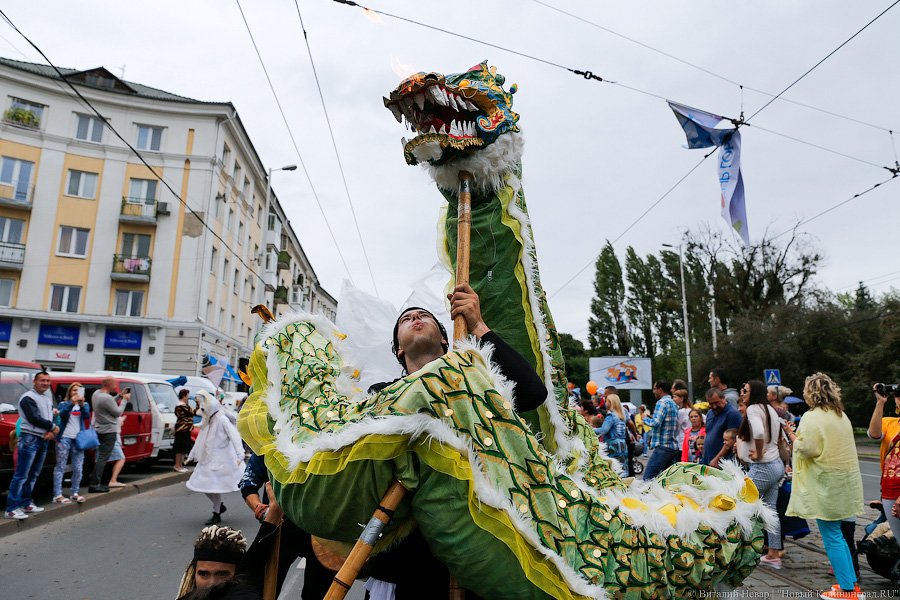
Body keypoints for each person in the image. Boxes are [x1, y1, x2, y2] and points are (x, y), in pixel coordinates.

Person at [365, 284, 546, 598]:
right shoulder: (381, 393)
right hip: (410, 553)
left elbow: (532, 393)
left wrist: (477, 325)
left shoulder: (476, 383)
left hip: (480, 540)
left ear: (445, 338)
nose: (416, 317)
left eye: (424, 315)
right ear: (399, 350)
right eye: (407, 319)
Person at [785, 373, 864, 600]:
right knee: (840, 535)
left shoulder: (812, 417)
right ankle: (850, 584)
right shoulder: (841, 415)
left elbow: (807, 448)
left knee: (832, 536)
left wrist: (791, 434)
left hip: (826, 484)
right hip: (844, 483)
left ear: (811, 393)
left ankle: (847, 589)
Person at [239, 452, 335, 598]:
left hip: (323, 531)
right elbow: (248, 483)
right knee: (263, 591)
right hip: (280, 528)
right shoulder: (271, 439)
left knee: (318, 594)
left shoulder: (336, 436)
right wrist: (261, 508)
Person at [735, 379, 785, 569]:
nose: (742, 393)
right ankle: (773, 554)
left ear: (754, 392)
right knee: (770, 511)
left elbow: (758, 431)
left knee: (738, 502)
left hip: (763, 466)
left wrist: (758, 451)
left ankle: (737, 549)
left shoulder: (754, 409)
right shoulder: (770, 409)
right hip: (776, 465)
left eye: (745, 390)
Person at [187, 390, 246, 525]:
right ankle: (218, 507)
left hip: (222, 459)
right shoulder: (209, 420)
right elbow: (201, 437)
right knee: (201, 485)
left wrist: (240, 454)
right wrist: (192, 454)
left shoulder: (223, 419)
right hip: (207, 457)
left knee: (213, 486)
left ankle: (216, 511)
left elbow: (234, 436)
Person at [5, 371, 58, 519]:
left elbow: (46, 418)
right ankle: (11, 508)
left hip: (42, 439)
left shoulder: (46, 399)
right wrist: (52, 427)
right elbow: (34, 418)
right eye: (42, 380)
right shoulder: (28, 398)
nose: (45, 383)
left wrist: (51, 431)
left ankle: (26, 503)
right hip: (30, 439)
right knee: (21, 474)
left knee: (33, 474)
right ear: (34, 382)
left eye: (48, 381)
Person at [866, 383, 900, 542]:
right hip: (889, 489)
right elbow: (874, 434)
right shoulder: (888, 423)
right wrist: (880, 402)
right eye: (898, 396)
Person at [52, 382, 90, 504]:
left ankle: (74, 492)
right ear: (69, 392)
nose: (76, 393)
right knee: (61, 466)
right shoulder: (64, 404)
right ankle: (58, 494)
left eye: (78, 390)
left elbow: (86, 416)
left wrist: (82, 404)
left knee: (78, 467)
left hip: (78, 439)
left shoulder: (85, 405)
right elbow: (62, 414)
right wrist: (71, 403)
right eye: (74, 390)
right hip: (64, 438)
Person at [89, 376, 126, 493]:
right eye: (114, 383)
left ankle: (96, 482)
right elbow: (118, 412)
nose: (116, 386)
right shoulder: (107, 398)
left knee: (99, 456)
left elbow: (108, 404)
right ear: (108, 384)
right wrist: (124, 400)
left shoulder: (96, 394)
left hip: (99, 429)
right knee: (103, 458)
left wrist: (119, 396)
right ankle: (95, 484)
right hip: (109, 430)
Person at [642, 380, 680, 480]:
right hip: (673, 447)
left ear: (660, 389)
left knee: (647, 478)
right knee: (667, 480)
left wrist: (645, 419)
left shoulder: (661, 402)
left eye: (655, 389)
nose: (653, 391)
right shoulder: (673, 403)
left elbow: (655, 422)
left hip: (663, 447)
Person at [701, 388, 743, 467]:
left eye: (716, 402)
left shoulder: (732, 414)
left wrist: (717, 459)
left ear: (723, 398)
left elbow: (730, 441)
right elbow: (707, 433)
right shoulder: (710, 413)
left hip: (723, 463)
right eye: (711, 404)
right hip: (708, 460)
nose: (714, 406)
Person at [597, 394, 628, 473]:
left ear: (610, 403)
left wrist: (590, 428)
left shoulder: (611, 416)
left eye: (607, 401)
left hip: (613, 446)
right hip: (623, 445)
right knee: (622, 469)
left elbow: (604, 430)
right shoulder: (621, 416)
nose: (605, 403)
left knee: (613, 469)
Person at [175, 389, 197, 473]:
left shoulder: (184, 405)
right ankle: (177, 465)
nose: (188, 397)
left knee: (183, 448)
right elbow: (193, 412)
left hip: (185, 429)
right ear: (184, 395)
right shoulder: (181, 406)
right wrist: (197, 403)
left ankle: (181, 465)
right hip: (182, 429)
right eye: (187, 395)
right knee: (179, 448)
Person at [106, 414, 128, 488]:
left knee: (103, 459)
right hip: (113, 437)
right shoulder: (111, 411)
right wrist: (121, 419)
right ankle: (113, 480)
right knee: (121, 458)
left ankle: (111, 480)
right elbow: (117, 423)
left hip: (111, 437)